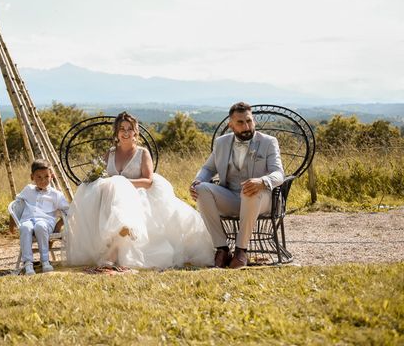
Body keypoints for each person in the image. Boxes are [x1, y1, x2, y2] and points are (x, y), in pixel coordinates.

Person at [67, 111, 214, 269]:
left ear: (135, 132)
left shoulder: (142, 153)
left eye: (129, 129)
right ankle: (112, 247)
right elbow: (98, 175)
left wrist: (121, 182)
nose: (125, 132)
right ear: (116, 132)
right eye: (121, 128)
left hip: (138, 195)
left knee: (123, 204)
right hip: (110, 199)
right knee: (101, 194)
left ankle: (115, 251)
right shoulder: (110, 153)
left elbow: (148, 181)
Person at [190, 102, 284, 269]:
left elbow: (279, 174)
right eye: (240, 122)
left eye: (249, 121)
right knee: (201, 189)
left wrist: (262, 181)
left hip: (261, 198)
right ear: (231, 125)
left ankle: (241, 251)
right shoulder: (221, 143)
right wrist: (198, 180)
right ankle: (222, 249)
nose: (247, 126)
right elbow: (208, 168)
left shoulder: (269, 142)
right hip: (231, 196)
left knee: (250, 190)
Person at [16, 159, 70, 275]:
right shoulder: (28, 190)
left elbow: (68, 211)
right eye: (39, 177)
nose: (43, 180)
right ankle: (28, 263)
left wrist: (59, 224)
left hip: (46, 223)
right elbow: (17, 203)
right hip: (28, 220)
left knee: (40, 226)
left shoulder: (56, 194)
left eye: (46, 176)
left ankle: (45, 261)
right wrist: (12, 222)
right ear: (32, 177)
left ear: (52, 176)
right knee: (24, 227)